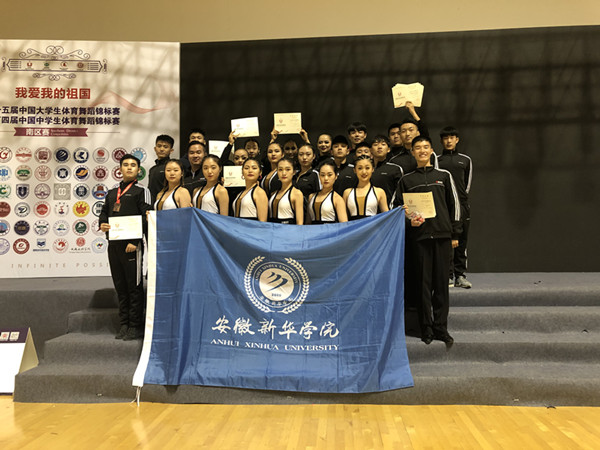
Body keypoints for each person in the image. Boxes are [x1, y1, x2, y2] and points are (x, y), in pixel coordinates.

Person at [393, 136, 461, 346]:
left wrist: (455, 233)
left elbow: (455, 205)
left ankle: (441, 327)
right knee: (423, 285)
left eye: (425, 147)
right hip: (419, 238)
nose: (422, 150)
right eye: (418, 148)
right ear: (412, 152)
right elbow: (397, 209)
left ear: (431, 150)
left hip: (441, 236)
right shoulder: (406, 180)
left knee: (441, 285)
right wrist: (408, 220)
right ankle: (426, 328)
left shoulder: (444, 176)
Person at [99, 154, 151, 341]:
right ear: (120, 169)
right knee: (120, 286)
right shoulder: (112, 192)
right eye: (126, 165)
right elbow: (104, 212)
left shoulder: (142, 191)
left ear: (138, 170)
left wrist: (135, 241)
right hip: (114, 245)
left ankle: (135, 325)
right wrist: (103, 224)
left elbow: (147, 217)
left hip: (132, 246)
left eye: (133, 165)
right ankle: (124, 324)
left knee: (134, 286)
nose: (129, 168)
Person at [437, 126, 473, 289]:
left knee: (461, 241)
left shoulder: (465, 160)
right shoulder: (437, 160)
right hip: (443, 207)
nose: (449, 141)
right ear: (441, 141)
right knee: (445, 242)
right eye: (446, 138)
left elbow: (467, 185)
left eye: (452, 137)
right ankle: (447, 275)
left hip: (462, 207)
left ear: (457, 140)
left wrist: (460, 202)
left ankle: (460, 275)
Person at [343, 155, 388, 220]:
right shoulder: (347, 193)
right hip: (353, 226)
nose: (364, 172)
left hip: (373, 226)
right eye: (360, 168)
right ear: (354, 170)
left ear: (372, 169)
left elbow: (387, 217)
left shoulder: (379, 192)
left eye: (367, 168)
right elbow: (343, 219)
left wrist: (400, 210)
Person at [370, 135, 404, 207]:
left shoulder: (395, 169)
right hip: (368, 211)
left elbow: (399, 192)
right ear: (371, 150)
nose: (379, 147)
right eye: (375, 144)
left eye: (383, 144)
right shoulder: (365, 169)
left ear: (388, 149)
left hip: (389, 210)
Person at [268, 158, 304, 224]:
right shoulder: (273, 193)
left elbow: (300, 222)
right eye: (280, 170)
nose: (284, 173)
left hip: (288, 228)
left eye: (288, 169)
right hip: (272, 228)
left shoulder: (297, 194)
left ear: (294, 172)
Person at [148, 134, 175, 203]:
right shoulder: (152, 169)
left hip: (167, 204)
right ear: (155, 148)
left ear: (171, 150)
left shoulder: (173, 167)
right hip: (152, 205)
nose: (162, 149)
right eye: (159, 146)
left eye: (165, 147)